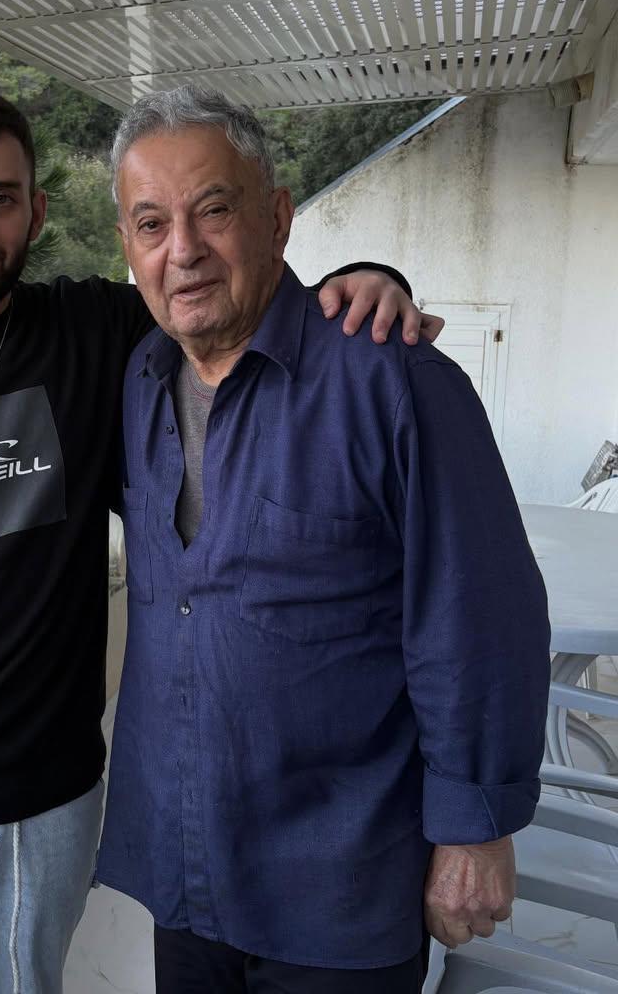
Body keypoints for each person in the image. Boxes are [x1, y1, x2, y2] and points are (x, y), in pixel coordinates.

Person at [0, 86, 433, 994]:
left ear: (36, 208)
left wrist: (372, 278)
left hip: (49, 799)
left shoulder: (99, 332)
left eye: (0, 197)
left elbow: (220, 286)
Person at [95, 84, 552, 994]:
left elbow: (481, 617)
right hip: (185, 876)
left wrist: (476, 828)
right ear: (129, 248)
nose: (181, 249)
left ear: (277, 217)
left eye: (213, 211)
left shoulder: (395, 381)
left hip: (339, 889)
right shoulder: (135, 386)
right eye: (151, 225)